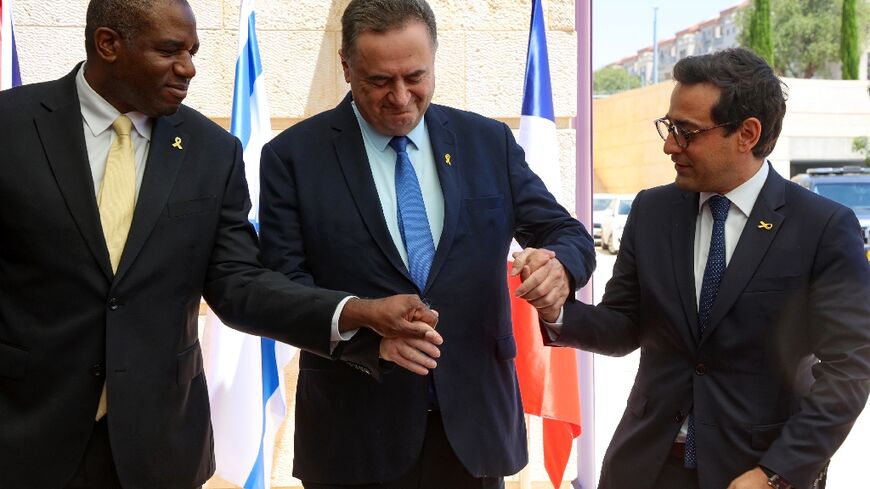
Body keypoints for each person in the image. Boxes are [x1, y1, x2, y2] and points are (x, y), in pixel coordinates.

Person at [0, 1, 442, 488]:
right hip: (23, 437)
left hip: (160, 449)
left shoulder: (212, 152)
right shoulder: (11, 128)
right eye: (170, 51)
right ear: (108, 45)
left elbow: (239, 285)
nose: (189, 68)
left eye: (192, 51)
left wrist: (356, 312)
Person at [257, 0, 595, 487]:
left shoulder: (487, 142)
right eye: (379, 81)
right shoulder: (293, 157)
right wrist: (370, 336)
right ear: (346, 66)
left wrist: (560, 266)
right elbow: (281, 291)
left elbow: (567, 234)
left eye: (415, 76)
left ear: (433, 59)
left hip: (474, 433)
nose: (400, 97)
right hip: (354, 435)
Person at [521, 48, 870, 489]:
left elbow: (849, 369)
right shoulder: (652, 211)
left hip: (754, 472)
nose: (670, 145)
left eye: (687, 132)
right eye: (669, 127)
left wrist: (775, 473)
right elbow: (624, 325)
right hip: (646, 467)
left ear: (747, 133)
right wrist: (556, 310)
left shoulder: (822, 228)